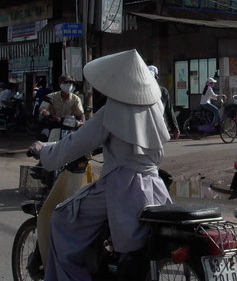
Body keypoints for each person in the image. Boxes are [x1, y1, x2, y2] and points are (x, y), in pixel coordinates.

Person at [27, 49, 172, 280]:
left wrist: (44, 151)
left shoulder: (111, 112)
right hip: (155, 186)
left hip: (120, 187)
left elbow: (73, 144)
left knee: (62, 219)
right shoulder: (155, 108)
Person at [148, 65, 180, 140]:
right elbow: (169, 110)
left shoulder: (138, 92)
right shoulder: (162, 91)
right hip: (160, 127)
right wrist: (175, 128)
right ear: (156, 77)